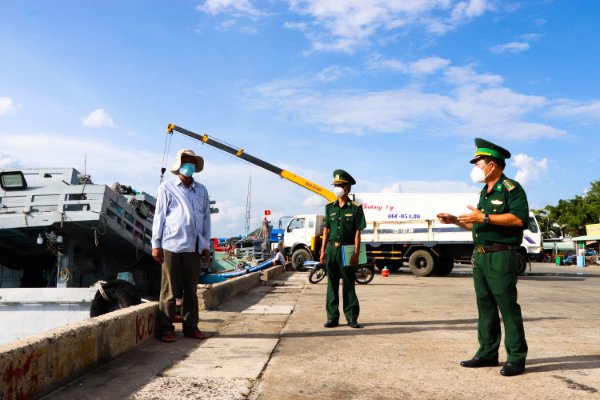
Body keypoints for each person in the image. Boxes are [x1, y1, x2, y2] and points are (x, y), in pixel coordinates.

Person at [437, 138, 529, 376]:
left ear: (493, 164)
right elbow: (477, 226)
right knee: (485, 306)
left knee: (507, 306)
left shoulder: (511, 188)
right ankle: (487, 353)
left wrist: (485, 218)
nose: (476, 168)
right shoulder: (484, 193)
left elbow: (519, 219)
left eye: (479, 163)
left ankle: (516, 358)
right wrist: (455, 220)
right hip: (480, 256)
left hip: (501, 255)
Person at [152, 149, 211, 343]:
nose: (189, 165)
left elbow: (205, 220)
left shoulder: (202, 190)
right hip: (171, 244)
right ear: (179, 165)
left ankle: (191, 326)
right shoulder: (167, 187)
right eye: (186, 161)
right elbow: (159, 217)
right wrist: (156, 244)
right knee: (169, 290)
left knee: (191, 291)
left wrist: (205, 246)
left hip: (193, 247)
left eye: (192, 162)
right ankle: (165, 329)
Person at [319, 169, 366, 329]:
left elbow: (357, 233)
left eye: (339, 185)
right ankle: (332, 317)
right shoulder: (329, 207)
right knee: (331, 284)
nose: (336, 187)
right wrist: (322, 250)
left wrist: (356, 254)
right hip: (332, 249)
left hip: (347, 249)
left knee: (348, 284)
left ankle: (352, 317)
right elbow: (326, 230)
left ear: (348, 188)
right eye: (335, 185)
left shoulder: (355, 208)